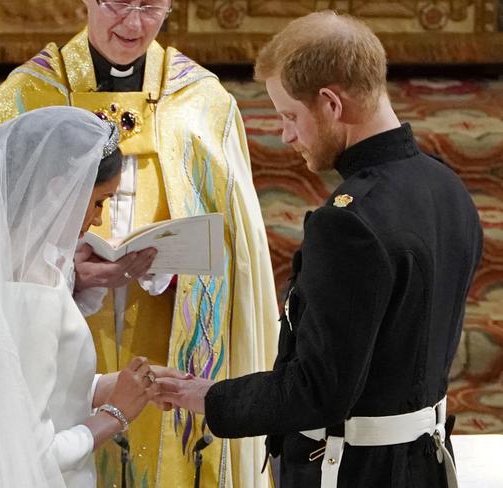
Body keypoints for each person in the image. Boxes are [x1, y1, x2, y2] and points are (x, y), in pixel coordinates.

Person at [156, 11, 483, 488]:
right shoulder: (448, 186)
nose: (286, 134)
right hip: (424, 465)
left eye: (290, 116)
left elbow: (318, 392)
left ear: (330, 103)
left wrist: (209, 397)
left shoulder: (348, 224)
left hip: (356, 472)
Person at [0, 1, 279, 486]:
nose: (133, 25)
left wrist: (179, 265)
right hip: (55, 323)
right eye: (117, 3)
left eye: (150, 6)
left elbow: (239, 247)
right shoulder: (24, 98)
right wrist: (65, 274)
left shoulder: (202, 102)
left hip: (167, 319)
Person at [0, 106, 183, 488]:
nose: (98, 219)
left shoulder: (8, 266)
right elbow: (32, 456)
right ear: (62, 189)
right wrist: (116, 414)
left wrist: (122, 384)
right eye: (99, 201)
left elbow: (26, 392)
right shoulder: (33, 291)